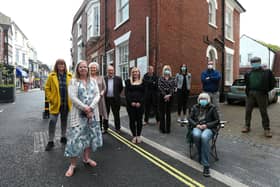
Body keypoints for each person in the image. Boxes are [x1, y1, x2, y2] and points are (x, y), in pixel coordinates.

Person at [64, 60, 102, 177]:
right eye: (81, 67)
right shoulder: (73, 81)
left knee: (89, 137)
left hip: (92, 114)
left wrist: (91, 108)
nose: (83, 69)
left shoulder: (94, 81)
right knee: (74, 140)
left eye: (85, 67)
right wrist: (85, 108)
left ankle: (86, 158)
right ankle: (73, 165)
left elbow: (97, 95)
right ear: (77, 69)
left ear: (88, 69)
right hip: (78, 116)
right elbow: (73, 98)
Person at [242, 57, 276, 138]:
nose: (255, 64)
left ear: (260, 62)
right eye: (253, 62)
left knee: (263, 112)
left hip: (261, 94)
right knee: (248, 110)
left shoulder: (267, 72)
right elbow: (246, 83)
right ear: (251, 64)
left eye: (256, 62)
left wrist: (265, 90)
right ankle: (247, 126)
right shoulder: (248, 73)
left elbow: (273, 83)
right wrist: (248, 91)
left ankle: (267, 129)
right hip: (250, 93)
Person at [188, 92, 219, 177]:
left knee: (204, 137)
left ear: (208, 100)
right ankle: (201, 153)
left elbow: (217, 121)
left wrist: (206, 125)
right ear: (198, 99)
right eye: (201, 99)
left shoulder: (212, 108)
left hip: (208, 128)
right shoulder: (195, 107)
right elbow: (189, 118)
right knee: (196, 135)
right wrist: (196, 125)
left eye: (204, 99)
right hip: (197, 126)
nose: (203, 100)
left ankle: (206, 165)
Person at [45, 59, 72, 151]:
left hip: (66, 103)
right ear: (56, 65)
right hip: (55, 103)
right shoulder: (51, 76)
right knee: (52, 121)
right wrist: (51, 99)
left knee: (64, 121)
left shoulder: (70, 76)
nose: (61, 66)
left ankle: (63, 136)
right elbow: (47, 88)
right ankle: (50, 141)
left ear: (65, 66)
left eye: (63, 64)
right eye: (59, 64)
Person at [125, 67, 145, 143]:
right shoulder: (128, 81)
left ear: (139, 73)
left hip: (140, 105)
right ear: (131, 73)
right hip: (131, 105)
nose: (135, 73)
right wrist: (131, 102)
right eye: (134, 72)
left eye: (137, 72)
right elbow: (127, 93)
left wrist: (140, 102)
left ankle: (139, 136)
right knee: (132, 120)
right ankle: (134, 136)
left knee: (139, 121)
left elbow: (144, 93)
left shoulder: (143, 81)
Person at [89, 62, 108, 134]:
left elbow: (104, 87)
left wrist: (102, 93)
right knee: (91, 114)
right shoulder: (87, 78)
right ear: (89, 69)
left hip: (100, 99)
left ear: (97, 69)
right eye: (91, 68)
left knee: (99, 114)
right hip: (91, 100)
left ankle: (99, 130)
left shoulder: (101, 77)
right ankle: (91, 131)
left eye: (94, 68)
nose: (93, 69)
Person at [104, 65, 123, 133]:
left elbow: (120, 88)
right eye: (109, 70)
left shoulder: (118, 78)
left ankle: (117, 128)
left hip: (115, 99)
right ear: (107, 71)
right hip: (106, 99)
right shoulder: (104, 78)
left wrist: (116, 94)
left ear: (114, 71)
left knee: (116, 114)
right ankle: (105, 128)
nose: (110, 72)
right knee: (106, 114)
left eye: (112, 70)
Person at [158, 65, 176, 133]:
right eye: (166, 69)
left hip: (170, 97)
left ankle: (168, 128)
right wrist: (165, 95)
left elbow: (174, 87)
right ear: (163, 70)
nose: (167, 70)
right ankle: (162, 128)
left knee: (168, 113)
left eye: (168, 69)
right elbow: (160, 87)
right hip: (162, 97)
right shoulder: (160, 78)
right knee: (162, 113)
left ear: (170, 70)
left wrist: (169, 95)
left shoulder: (173, 78)